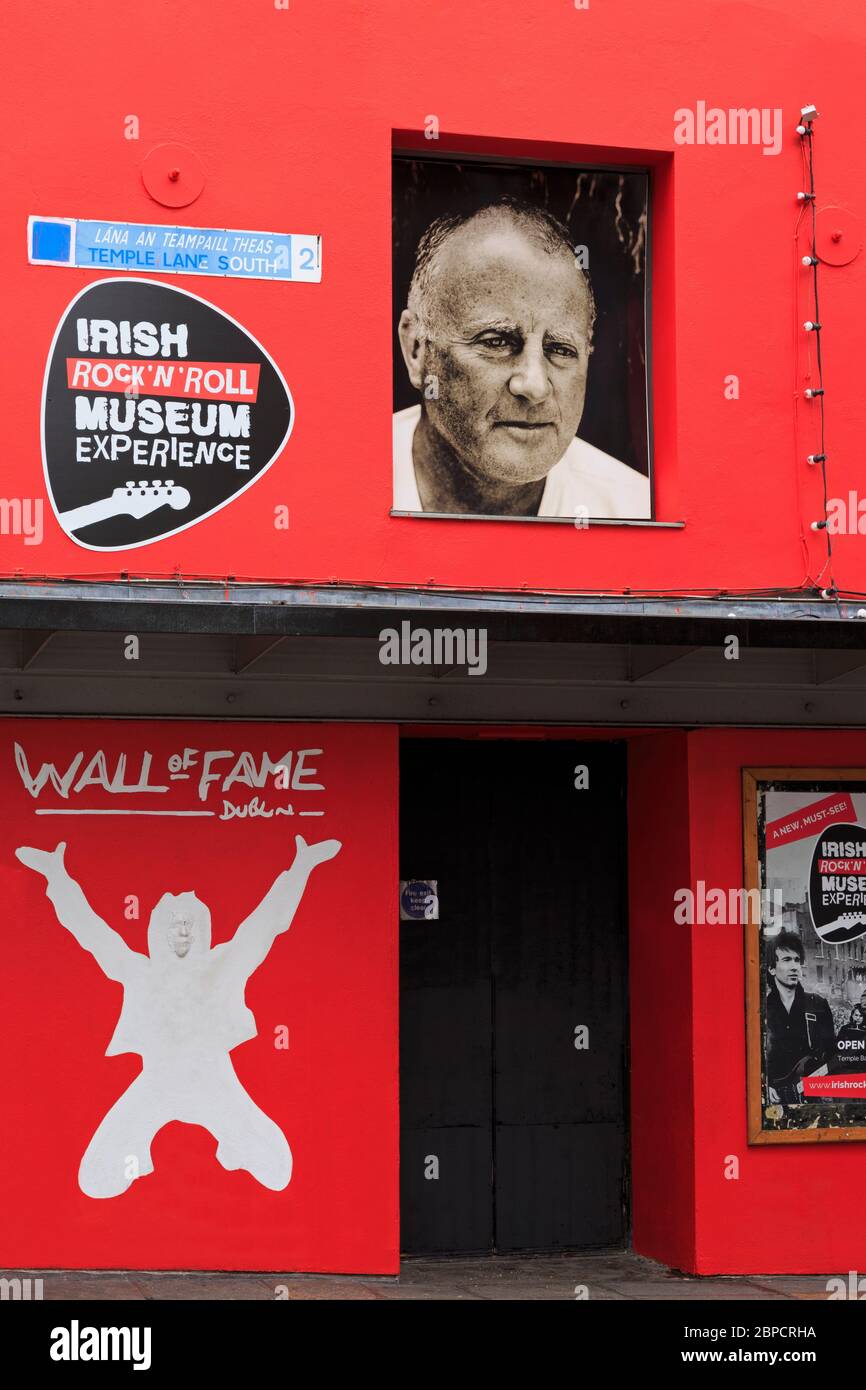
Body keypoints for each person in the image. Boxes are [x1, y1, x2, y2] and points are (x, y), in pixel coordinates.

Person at [15, 834, 341, 1199]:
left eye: (191, 923)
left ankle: (238, 1149)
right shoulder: (140, 971)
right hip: (158, 1082)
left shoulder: (224, 965)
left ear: (204, 929)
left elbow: (265, 924)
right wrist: (57, 878)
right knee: (94, 1178)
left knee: (277, 1169)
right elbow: (92, 933)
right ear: (156, 930)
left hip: (215, 1082)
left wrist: (300, 868)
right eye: (174, 923)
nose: (182, 931)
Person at [394, 198, 651, 520]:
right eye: (498, 342)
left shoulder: (633, 512)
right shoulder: (333, 485)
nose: (534, 385)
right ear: (416, 349)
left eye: (560, 349)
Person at [765, 930, 836, 1104]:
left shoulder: (817, 1004)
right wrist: (763, 1084)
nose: (795, 966)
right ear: (772, 968)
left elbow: (833, 1054)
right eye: (787, 960)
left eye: (797, 960)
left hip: (812, 1099)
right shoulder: (762, 1009)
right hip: (774, 1102)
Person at [830, 1004, 866, 1073]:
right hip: (845, 1066)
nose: (858, 1018)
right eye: (856, 1015)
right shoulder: (845, 1029)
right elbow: (837, 1047)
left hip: (860, 1068)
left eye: (861, 1016)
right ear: (852, 1015)